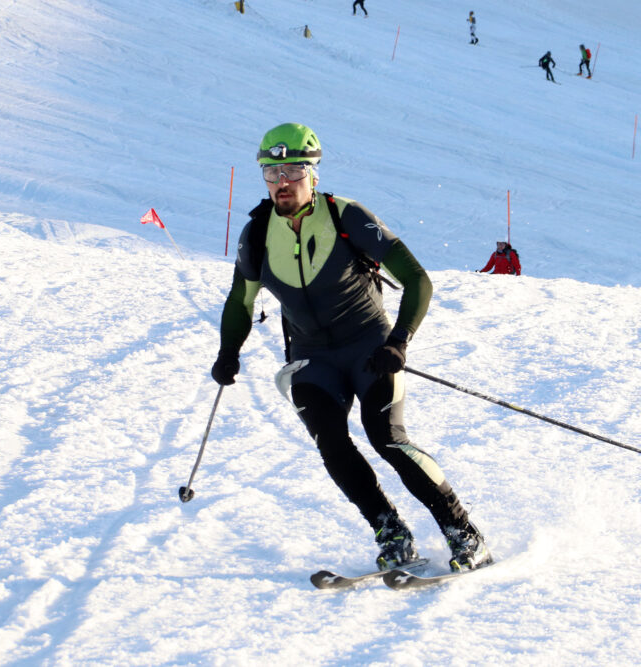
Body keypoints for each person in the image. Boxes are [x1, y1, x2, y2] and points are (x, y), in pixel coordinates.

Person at [211, 123, 493, 573]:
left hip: (369, 347)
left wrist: (398, 341)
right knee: (331, 442)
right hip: (311, 358)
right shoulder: (258, 233)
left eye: (293, 171)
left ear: (313, 174)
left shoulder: (347, 216)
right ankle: (391, 531)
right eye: (271, 173)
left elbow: (417, 280)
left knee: (387, 439)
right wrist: (228, 352)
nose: (282, 182)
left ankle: (463, 531)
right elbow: (240, 301)